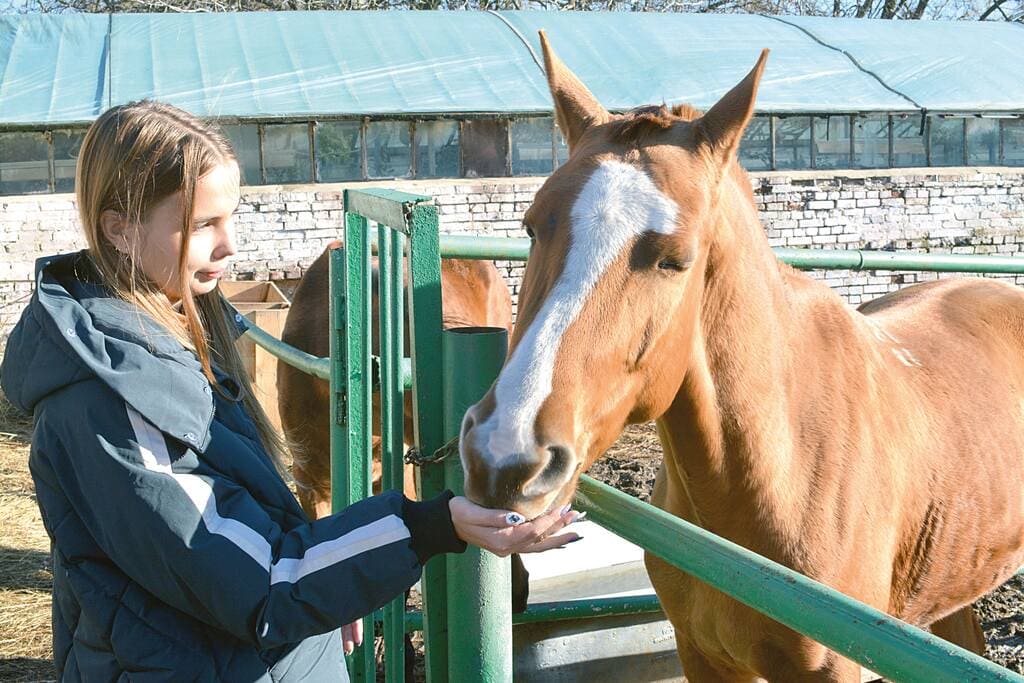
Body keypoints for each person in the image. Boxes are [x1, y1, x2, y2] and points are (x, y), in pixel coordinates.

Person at [0, 100, 581, 681]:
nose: (232, 246)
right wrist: (430, 526)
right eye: (203, 224)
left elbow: (248, 523)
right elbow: (265, 586)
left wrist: (333, 586)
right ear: (121, 230)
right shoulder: (109, 406)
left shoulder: (177, 335)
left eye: (231, 218)